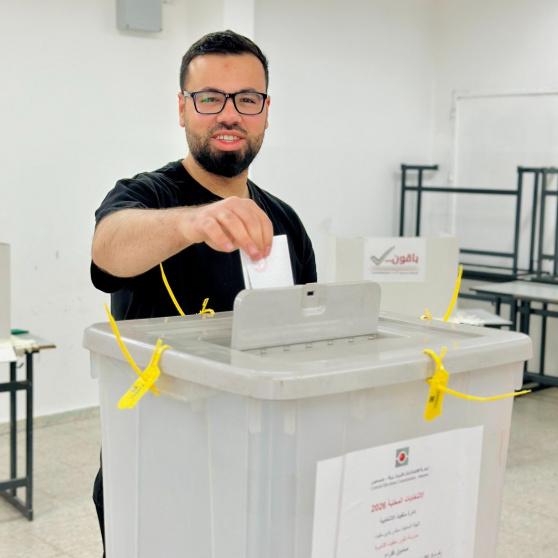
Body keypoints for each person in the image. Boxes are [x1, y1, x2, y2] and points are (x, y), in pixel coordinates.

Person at [90, 30, 316, 555]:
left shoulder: (284, 221)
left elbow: (305, 342)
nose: (229, 114)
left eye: (247, 99)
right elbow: (107, 251)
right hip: (154, 471)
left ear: (266, 111)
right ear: (182, 109)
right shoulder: (147, 196)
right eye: (210, 98)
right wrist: (194, 222)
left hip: (254, 471)